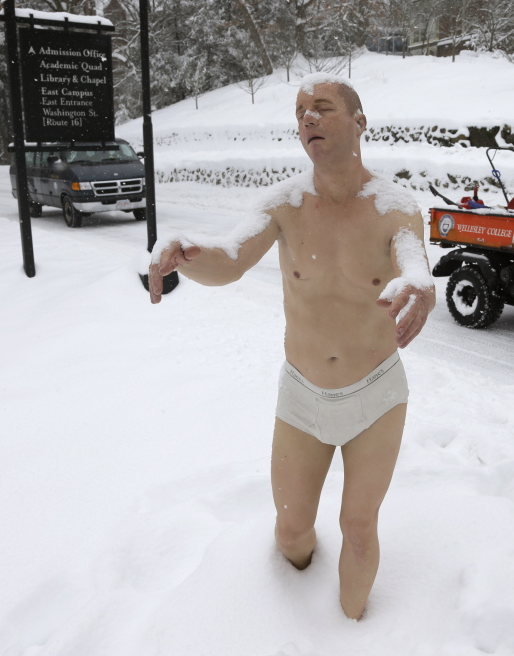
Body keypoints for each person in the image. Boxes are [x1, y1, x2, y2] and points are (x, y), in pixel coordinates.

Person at [147, 73, 436, 620]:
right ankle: (290, 598)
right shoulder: (283, 204)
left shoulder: (395, 208)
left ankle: (352, 631)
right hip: (302, 396)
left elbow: (413, 260)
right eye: (301, 111)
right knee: (291, 530)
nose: (308, 119)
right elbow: (230, 258)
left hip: (375, 395)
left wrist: (421, 284)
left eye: (322, 108)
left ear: (359, 123)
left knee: (357, 527)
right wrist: (187, 251)